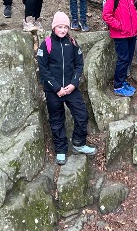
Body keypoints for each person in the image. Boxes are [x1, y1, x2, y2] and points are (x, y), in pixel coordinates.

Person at [37, 12, 97, 165]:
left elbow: (79, 64)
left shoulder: (72, 43)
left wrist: (74, 83)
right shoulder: (46, 44)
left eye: (65, 27)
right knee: (57, 120)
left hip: (71, 89)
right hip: (53, 91)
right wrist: (57, 88)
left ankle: (79, 143)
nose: (63, 30)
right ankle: (61, 150)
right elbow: (43, 69)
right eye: (60, 27)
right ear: (54, 27)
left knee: (82, 115)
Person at [102, 0, 137, 97]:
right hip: (120, 34)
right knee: (123, 59)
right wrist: (120, 25)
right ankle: (118, 86)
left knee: (128, 58)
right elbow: (106, 15)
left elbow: (133, 11)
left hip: (131, 32)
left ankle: (122, 81)